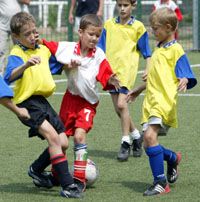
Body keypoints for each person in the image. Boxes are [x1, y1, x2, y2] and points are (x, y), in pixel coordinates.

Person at [4, 12, 82, 198]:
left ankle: (36, 169)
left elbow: (55, 67)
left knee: (63, 142)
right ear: (16, 37)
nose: (33, 36)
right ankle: (67, 186)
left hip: (42, 103)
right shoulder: (18, 53)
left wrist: (69, 64)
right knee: (53, 139)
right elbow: (9, 76)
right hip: (27, 103)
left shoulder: (43, 50)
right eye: (27, 34)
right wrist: (25, 66)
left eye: (34, 32)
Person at [41, 14, 120, 192]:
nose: (94, 38)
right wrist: (38, 41)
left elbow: (105, 73)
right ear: (80, 32)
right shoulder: (68, 49)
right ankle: (56, 175)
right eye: (91, 34)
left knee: (79, 136)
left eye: (97, 35)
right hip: (69, 100)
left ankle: (79, 180)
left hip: (87, 103)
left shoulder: (98, 55)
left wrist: (111, 79)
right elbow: (50, 47)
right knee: (61, 140)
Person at [127, 7, 197, 196]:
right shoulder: (158, 49)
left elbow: (186, 74)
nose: (152, 31)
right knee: (149, 144)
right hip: (150, 102)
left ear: (168, 27)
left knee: (149, 137)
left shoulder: (176, 49)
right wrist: (138, 90)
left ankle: (160, 183)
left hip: (163, 103)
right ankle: (173, 158)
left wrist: (184, 79)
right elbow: (155, 78)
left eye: (155, 28)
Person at [97, 0, 151, 161]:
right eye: (119, 5)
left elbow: (147, 52)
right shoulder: (108, 25)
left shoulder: (138, 27)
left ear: (132, 5)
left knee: (122, 104)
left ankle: (125, 142)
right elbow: (100, 48)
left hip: (127, 72)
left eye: (125, 5)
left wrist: (148, 68)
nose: (122, 8)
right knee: (118, 110)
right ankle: (136, 136)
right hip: (110, 73)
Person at [0, 0, 31, 75]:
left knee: (22, 50)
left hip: (18, 26)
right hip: (2, 26)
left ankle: (25, 74)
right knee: (0, 52)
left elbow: (28, 1)